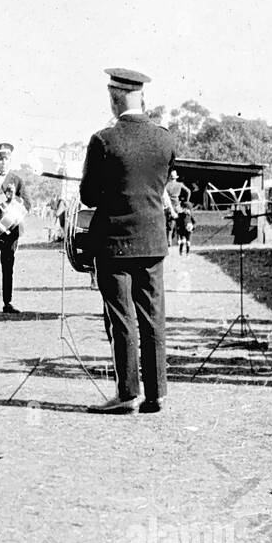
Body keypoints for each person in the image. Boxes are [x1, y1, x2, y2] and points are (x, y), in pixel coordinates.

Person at [79, 68, 176, 413]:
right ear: (141, 97)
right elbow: (160, 184)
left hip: (114, 243)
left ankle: (127, 394)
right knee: (153, 318)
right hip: (152, 241)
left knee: (122, 320)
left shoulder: (104, 140)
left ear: (114, 97)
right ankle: (157, 393)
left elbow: (89, 196)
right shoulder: (165, 139)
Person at [0, 142, 28, 313]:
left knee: (8, 267)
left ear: (10, 160)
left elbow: (27, 203)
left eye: (6, 159)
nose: (3, 162)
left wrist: (14, 200)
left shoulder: (17, 180)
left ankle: (7, 302)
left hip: (11, 231)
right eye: (0, 158)